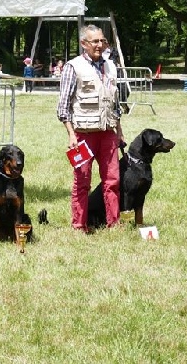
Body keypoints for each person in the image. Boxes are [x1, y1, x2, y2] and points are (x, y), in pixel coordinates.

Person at [56, 24, 124, 232]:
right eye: (94, 41)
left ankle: (114, 222)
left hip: (107, 133)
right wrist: (70, 135)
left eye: (102, 41)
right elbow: (63, 106)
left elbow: (115, 103)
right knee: (82, 181)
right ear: (83, 44)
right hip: (82, 134)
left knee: (113, 180)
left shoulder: (111, 66)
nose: (99, 45)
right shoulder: (72, 66)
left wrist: (119, 131)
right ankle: (79, 224)